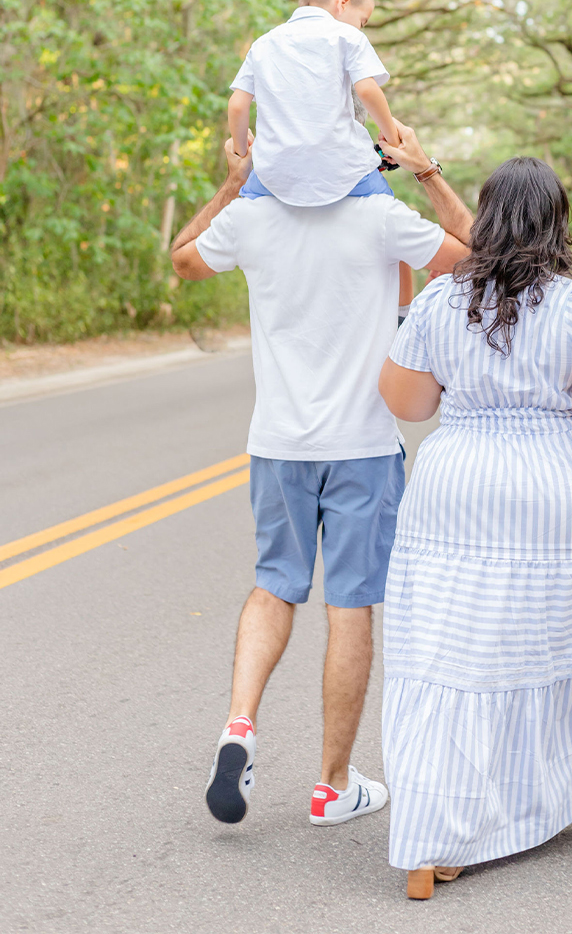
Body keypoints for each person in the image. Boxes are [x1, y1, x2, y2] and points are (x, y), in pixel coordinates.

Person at [378, 157, 572, 899]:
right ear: (559, 222)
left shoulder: (440, 301)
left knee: (458, 655)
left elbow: (405, 402)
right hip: (562, 495)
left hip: (455, 493)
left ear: (484, 222)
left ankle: (436, 842)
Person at [169, 121, 472, 829]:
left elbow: (182, 260)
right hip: (363, 446)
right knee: (350, 606)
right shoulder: (379, 217)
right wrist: (424, 170)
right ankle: (333, 785)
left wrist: (235, 182)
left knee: (275, 586)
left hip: (278, 443)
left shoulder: (252, 218)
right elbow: (474, 256)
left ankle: (239, 726)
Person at [227, 0, 400, 207]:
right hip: (345, 174)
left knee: (246, 203)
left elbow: (236, 106)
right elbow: (367, 90)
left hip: (273, 176)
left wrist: (242, 153)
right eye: (362, 21)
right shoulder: (349, 37)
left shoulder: (263, 44)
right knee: (386, 205)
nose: (360, 29)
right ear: (343, 2)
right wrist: (392, 141)